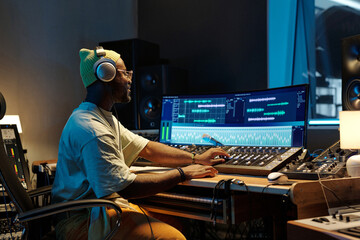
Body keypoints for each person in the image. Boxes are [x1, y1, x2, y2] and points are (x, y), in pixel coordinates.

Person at [51, 46, 230, 240]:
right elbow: (126, 187)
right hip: (80, 222)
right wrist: (182, 173)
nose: (129, 79)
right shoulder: (91, 128)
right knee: (174, 238)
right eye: (125, 73)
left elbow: (148, 149)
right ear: (106, 75)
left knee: (176, 222)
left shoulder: (101, 117)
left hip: (100, 209)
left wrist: (196, 158)